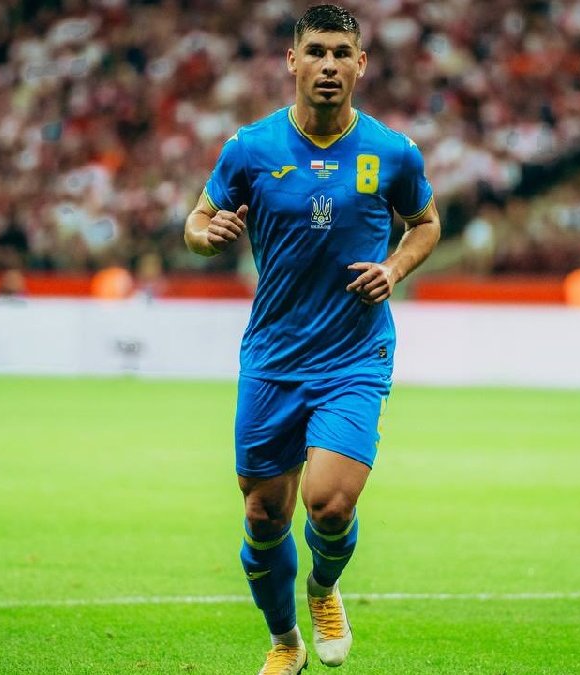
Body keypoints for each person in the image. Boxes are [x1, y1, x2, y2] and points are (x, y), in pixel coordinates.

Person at [183, 6, 441, 674]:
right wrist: (205, 235)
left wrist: (394, 269)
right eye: (317, 52)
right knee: (263, 515)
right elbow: (198, 219)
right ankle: (285, 641)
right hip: (274, 356)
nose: (329, 65)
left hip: (354, 354)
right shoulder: (250, 148)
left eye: (342, 53)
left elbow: (426, 223)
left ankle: (324, 586)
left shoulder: (392, 152)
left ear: (362, 64)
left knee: (329, 503)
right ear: (292, 61)